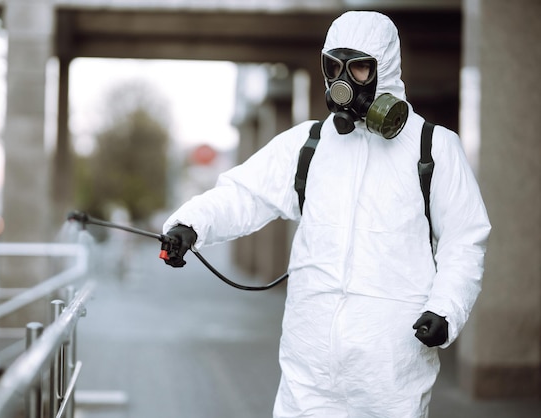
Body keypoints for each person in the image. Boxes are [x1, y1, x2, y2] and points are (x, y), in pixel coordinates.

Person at [161, 11, 491, 418]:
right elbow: (243, 195)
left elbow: (465, 240)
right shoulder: (310, 144)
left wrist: (446, 308)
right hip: (309, 364)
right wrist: (190, 225)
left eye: (359, 68)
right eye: (333, 66)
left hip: (389, 369)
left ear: (384, 68)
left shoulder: (434, 148)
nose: (343, 82)